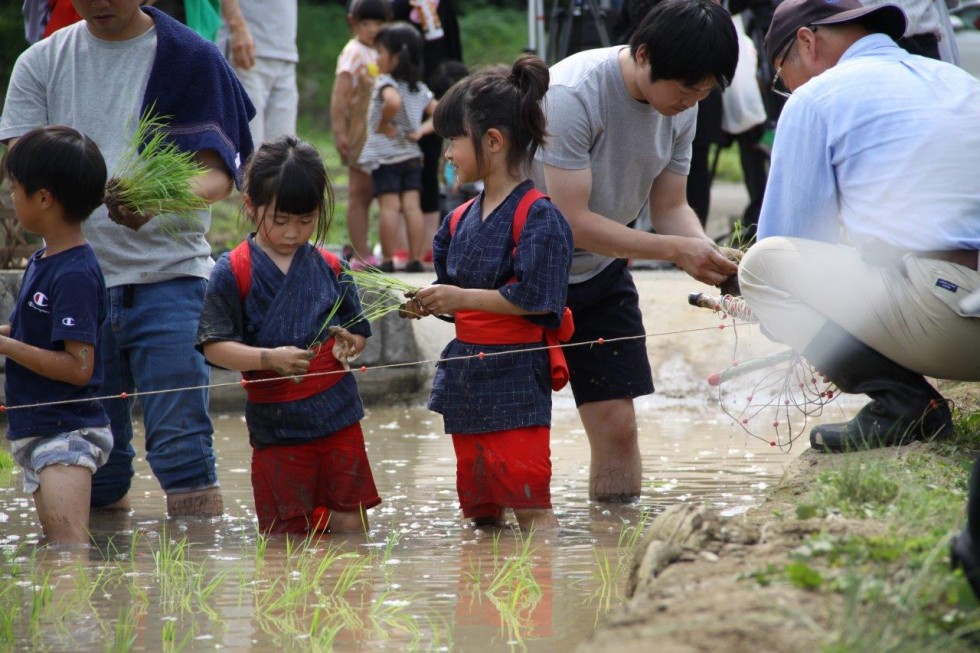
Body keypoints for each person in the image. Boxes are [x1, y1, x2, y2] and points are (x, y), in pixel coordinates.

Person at [0, 1, 255, 517]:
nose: (99, 4)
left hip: (170, 276)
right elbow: (24, 168)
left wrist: (157, 199)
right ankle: (101, 585)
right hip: (75, 284)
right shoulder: (40, 63)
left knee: (183, 448)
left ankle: (192, 581)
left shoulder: (191, 58)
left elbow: (218, 175)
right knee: (94, 465)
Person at [738, 0, 980, 454]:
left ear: (806, 42)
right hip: (959, 295)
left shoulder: (817, 98)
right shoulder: (959, 80)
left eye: (778, 76)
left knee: (761, 267)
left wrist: (763, 309)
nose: (785, 89)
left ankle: (904, 405)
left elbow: (788, 242)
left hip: (954, 323)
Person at [531, 0, 740, 501]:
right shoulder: (572, 94)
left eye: (705, 92)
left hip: (601, 276)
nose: (692, 102)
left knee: (618, 426)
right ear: (643, 55)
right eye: (687, 89)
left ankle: (615, 544)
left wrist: (705, 252)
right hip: (524, 274)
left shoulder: (682, 110)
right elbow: (571, 222)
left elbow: (670, 207)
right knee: (511, 429)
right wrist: (674, 250)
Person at [411, 54, 574, 531]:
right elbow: (454, 300)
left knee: (531, 508)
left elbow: (537, 300)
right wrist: (432, 303)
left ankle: (536, 597)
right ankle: (477, 602)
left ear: (494, 142)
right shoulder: (457, 221)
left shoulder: (540, 216)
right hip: (468, 379)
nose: (446, 155)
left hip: (517, 375)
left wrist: (459, 299)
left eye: (452, 142)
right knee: (479, 515)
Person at [197, 136, 380, 535]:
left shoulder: (332, 265)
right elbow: (214, 346)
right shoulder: (233, 271)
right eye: (280, 220)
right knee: (284, 533)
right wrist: (268, 358)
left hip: (338, 415)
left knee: (351, 520)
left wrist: (351, 342)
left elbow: (358, 332)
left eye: (306, 220)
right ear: (250, 205)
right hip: (276, 424)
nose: (293, 233)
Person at [0, 125, 109, 544]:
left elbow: (80, 367)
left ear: (44, 198)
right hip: (38, 428)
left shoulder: (76, 273)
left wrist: (6, 344)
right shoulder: (42, 259)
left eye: (15, 189)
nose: (12, 197)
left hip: (67, 436)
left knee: (67, 553)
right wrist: (8, 333)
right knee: (55, 549)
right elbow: (36, 333)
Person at [357, 21, 437, 273]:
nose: (377, 57)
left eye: (380, 52)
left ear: (396, 57)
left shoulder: (386, 83)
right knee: (412, 207)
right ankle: (415, 258)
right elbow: (440, 111)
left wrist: (383, 122)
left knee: (389, 207)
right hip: (411, 155)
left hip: (387, 156)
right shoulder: (419, 88)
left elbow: (391, 101)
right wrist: (420, 131)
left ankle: (388, 259)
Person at [331, 0, 392, 269]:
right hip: (360, 133)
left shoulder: (382, 51)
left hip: (380, 135)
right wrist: (339, 130)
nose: (373, 29)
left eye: (379, 23)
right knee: (360, 193)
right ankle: (360, 254)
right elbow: (340, 95)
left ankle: (377, 250)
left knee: (383, 192)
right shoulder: (353, 53)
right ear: (353, 23)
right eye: (366, 23)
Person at [219, 0, 298, 145]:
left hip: (286, 53)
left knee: (285, 152)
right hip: (246, 50)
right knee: (249, 152)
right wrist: (237, 26)